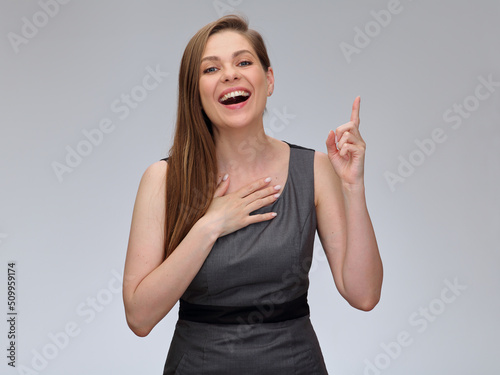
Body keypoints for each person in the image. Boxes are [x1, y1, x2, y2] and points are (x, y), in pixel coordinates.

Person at [122, 14, 382, 375]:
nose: (230, 74)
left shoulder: (315, 169)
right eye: (211, 69)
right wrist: (209, 226)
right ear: (194, 91)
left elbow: (364, 295)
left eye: (244, 62)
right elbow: (139, 317)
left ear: (269, 79)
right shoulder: (163, 179)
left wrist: (353, 186)